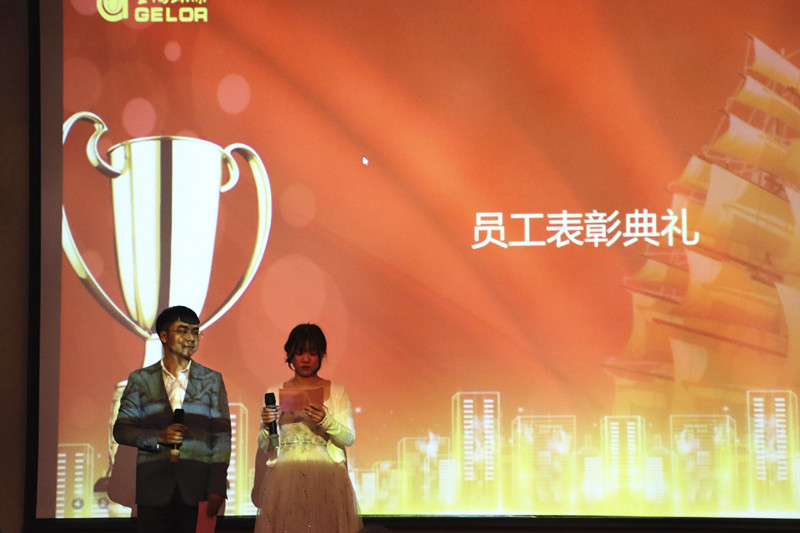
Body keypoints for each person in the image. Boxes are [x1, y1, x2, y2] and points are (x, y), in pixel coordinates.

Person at [113, 305, 231, 533]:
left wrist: (217, 485)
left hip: (199, 488)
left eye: (195, 332)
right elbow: (122, 430)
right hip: (153, 488)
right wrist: (158, 437)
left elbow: (222, 435)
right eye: (183, 331)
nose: (191, 338)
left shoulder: (211, 380)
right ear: (164, 336)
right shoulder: (141, 379)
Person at [254, 323, 362, 533]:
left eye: (312, 353)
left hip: (327, 476)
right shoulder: (274, 392)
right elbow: (266, 445)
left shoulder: (338, 391)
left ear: (321, 355)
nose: (306, 359)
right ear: (290, 354)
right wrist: (267, 426)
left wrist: (326, 420)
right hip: (285, 476)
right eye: (299, 352)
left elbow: (349, 438)